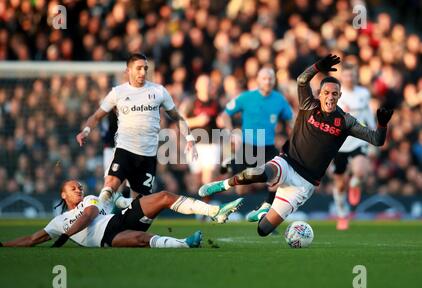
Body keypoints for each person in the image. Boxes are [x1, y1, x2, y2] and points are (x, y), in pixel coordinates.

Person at [198, 54, 394, 236]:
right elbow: (302, 80)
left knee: (263, 230)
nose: (331, 97)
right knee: (256, 172)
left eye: (335, 94)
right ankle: (221, 185)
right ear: (320, 93)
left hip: (304, 185)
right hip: (287, 163)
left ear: (340, 96)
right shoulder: (309, 105)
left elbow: (377, 140)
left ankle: (264, 210)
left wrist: (382, 125)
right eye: (326, 93)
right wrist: (317, 67)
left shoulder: (345, 121)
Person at [76, 53, 198, 207]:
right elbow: (96, 117)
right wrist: (85, 131)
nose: (143, 72)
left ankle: (126, 223)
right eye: (138, 68)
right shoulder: (118, 92)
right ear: (128, 71)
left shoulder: (159, 91)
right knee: (110, 185)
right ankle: (95, 215)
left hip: (147, 156)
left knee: (138, 205)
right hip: (125, 149)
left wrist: (190, 139)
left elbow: (177, 117)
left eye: (145, 68)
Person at [0, 180, 243, 248]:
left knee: (164, 197)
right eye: (73, 188)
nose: (79, 189)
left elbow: (89, 216)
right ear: (63, 195)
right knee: (141, 240)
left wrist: (65, 237)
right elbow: (32, 239)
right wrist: (4, 244)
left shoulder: (90, 200)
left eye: (79, 186)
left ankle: (214, 211)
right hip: (106, 239)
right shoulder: (57, 222)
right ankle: (185, 243)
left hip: (118, 220)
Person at [215, 67, 293, 219]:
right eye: (264, 78)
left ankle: (266, 213)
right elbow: (224, 115)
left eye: (271, 78)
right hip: (247, 145)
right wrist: (232, 132)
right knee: (241, 188)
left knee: (276, 179)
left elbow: (291, 118)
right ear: (258, 80)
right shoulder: (246, 97)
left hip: (268, 146)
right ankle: (231, 165)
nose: (268, 81)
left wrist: (295, 131)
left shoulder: (279, 99)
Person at [333, 63, 376, 230]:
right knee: (340, 183)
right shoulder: (337, 95)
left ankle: (355, 184)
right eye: (347, 75)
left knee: (360, 171)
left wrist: (373, 137)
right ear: (342, 77)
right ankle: (342, 214)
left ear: (356, 77)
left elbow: (367, 114)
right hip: (339, 144)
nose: (350, 78)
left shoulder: (363, 93)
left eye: (352, 75)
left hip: (358, 140)